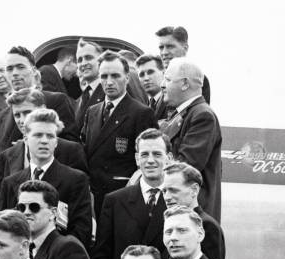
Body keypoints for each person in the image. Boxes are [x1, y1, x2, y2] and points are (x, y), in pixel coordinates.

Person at [0, 108, 92, 248]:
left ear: (56, 142)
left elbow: (81, 232)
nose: (44, 141)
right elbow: (3, 229)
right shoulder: (10, 183)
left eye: (50, 136)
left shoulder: (75, 180)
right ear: (25, 139)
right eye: (38, 135)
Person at [82, 50, 157, 218]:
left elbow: (146, 162)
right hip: (93, 197)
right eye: (104, 76)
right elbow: (85, 151)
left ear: (127, 78)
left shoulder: (141, 113)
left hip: (123, 198)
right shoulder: (92, 112)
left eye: (115, 76)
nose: (109, 82)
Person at [93, 128, 173, 259]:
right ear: (137, 158)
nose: (150, 160)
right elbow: (101, 254)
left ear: (169, 158)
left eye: (157, 154)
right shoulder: (114, 201)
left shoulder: (178, 201)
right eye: (144, 154)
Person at [0, 88, 88, 208]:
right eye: (17, 115)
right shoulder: (7, 155)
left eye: (27, 112)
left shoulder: (70, 151)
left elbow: (81, 198)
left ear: (43, 109)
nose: (22, 120)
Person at [161, 58, 222, 221]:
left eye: (167, 79)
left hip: (191, 215)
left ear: (185, 84)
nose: (161, 85)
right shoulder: (185, 113)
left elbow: (186, 168)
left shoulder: (202, 116)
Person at [0, 46, 77, 152]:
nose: (14, 73)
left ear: (33, 71)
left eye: (20, 67)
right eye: (9, 69)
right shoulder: (1, 116)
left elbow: (73, 148)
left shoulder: (57, 101)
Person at [162, 161, 225, 259]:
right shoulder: (169, 223)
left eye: (173, 190)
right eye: (164, 191)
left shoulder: (207, 225)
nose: (167, 197)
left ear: (194, 190)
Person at [155, 25, 210, 104]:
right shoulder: (161, 78)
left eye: (170, 46)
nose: (164, 52)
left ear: (185, 48)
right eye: (161, 47)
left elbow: (198, 112)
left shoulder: (197, 79)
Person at [75, 38, 106, 132]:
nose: (83, 63)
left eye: (88, 57)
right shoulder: (78, 101)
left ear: (101, 61)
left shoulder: (110, 92)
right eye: (80, 60)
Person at [135, 54, 168, 120]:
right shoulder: (144, 105)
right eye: (141, 75)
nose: (146, 78)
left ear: (164, 73)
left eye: (151, 72)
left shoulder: (172, 102)